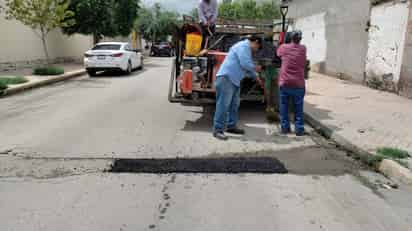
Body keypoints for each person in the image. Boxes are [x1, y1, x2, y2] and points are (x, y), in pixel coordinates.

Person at [213, 36, 263, 140]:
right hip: (226, 78)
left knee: (234, 105)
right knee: (223, 105)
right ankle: (217, 130)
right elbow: (245, 64)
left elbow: (246, 67)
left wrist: (256, 77)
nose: (256, 50)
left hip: (234, 80)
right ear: (256, 42)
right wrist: (256, 68)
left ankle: (231, 126)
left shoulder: (246, 49)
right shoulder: (243, 46)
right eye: (257, 47)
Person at [277, 30, 307, 136]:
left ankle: (285, 128)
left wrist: (284, 42)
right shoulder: (303, 49)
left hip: (285, 83)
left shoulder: (284, 47)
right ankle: (299, 129)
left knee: (284, 106)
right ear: (300, 39)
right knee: (298, 107)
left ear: (290, 38)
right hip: (299, 84)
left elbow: (278, 54)